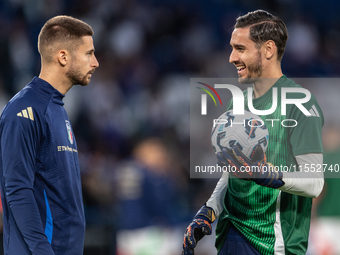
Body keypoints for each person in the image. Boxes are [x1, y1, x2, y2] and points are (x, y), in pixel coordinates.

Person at [182, 10, 324, 255]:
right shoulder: (235, 104)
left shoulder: (300, 104)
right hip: (230, 235)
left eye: (240, 48)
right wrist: (209, 210)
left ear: (268, 50)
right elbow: (232, 171)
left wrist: (269, 175)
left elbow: (314, 183)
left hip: (272, 245)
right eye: (232, 48)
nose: (231, 57)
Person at [0, 15, 99, 254]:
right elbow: (17, 192)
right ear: (63, 56)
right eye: (89, 53)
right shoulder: (23, 111)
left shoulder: (57, 110)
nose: (95, 62)